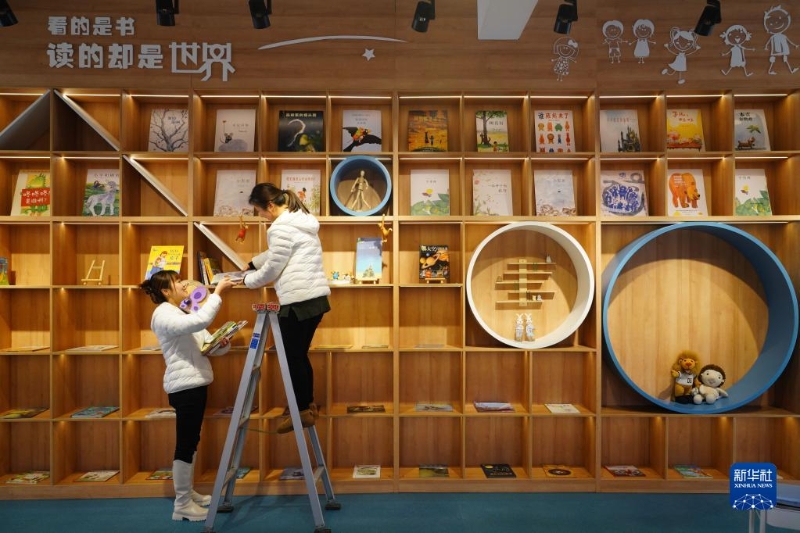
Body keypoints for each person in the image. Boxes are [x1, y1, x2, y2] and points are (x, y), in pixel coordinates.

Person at [140, 270, 239, 522]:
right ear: (165, 291)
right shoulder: (163, 314)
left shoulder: (182, 312)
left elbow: (205, 344)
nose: (184, 284)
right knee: (185, 444)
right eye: (177, 281)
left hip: (195, 383)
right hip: (184, 388)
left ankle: (188, 494)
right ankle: (182, 504)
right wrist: (217, 293)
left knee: (191, 441)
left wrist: (221, 344)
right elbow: (200, 322)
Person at [243, 182, 331, 434]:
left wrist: (248, 280)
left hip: (298, 301)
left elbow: (274, 267)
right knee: (299, 355)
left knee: (292, 358)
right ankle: (306, 407)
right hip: (315, 299)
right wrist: (253, 263)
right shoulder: (300, 220)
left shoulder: (279, 228)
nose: (262, 216)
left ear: (270, 205)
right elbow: (281, 253)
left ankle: (301, 411)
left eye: (260, 211)